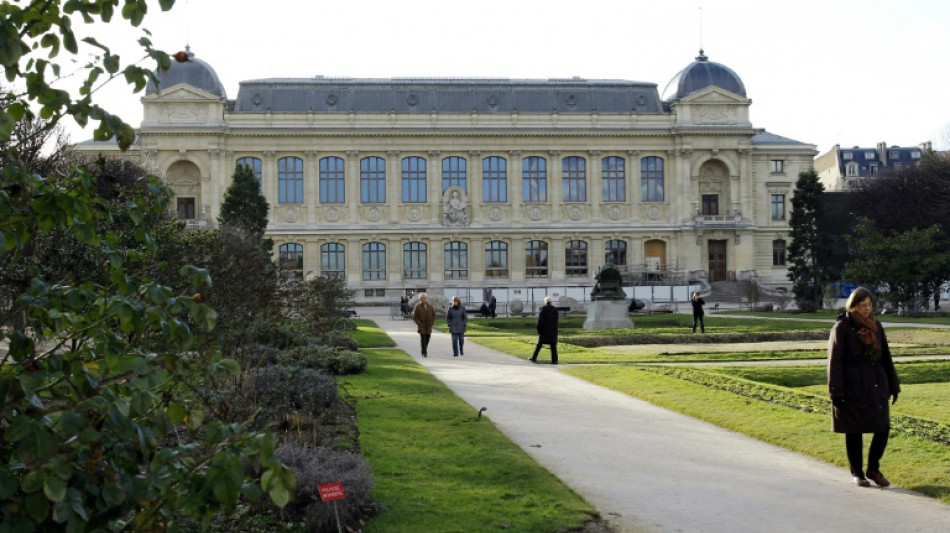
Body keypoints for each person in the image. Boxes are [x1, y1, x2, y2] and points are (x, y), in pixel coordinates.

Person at [828, 287, 900, 487]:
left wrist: (894, 385)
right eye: (862, 305)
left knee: (883, 427)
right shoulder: (842, 328)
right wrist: (836, 391)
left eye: (869, 305)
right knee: (854, 430)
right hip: (853, 387)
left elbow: (886, 358)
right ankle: (857, 472)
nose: (867, 309)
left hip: (877, 385)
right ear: (853, 306)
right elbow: (835, 362)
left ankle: (873, 469)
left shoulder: (876, 326)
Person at [530, 296, 559, 364]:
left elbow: (541, 320)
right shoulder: (555, 310)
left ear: (545, 302)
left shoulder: (544, 309)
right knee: (553, 346)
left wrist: (538, 328)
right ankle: (554, 360)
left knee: (539, 345)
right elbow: (556, 321)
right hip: (552, 331)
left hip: (544, 331)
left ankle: (534, 357)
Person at [412, 293, 436, 357]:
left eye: (424, 297)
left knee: (428, 338)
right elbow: (414, 317)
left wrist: (432, 322)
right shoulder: (417, 306)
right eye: (422, 297)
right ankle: (425, 352)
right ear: (420, 299)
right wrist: (419, 323)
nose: (424, 298)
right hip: (422, 326)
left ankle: (423, 350)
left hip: (428, 326)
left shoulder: (430, 306)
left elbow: (433, 315)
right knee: (423, 339)